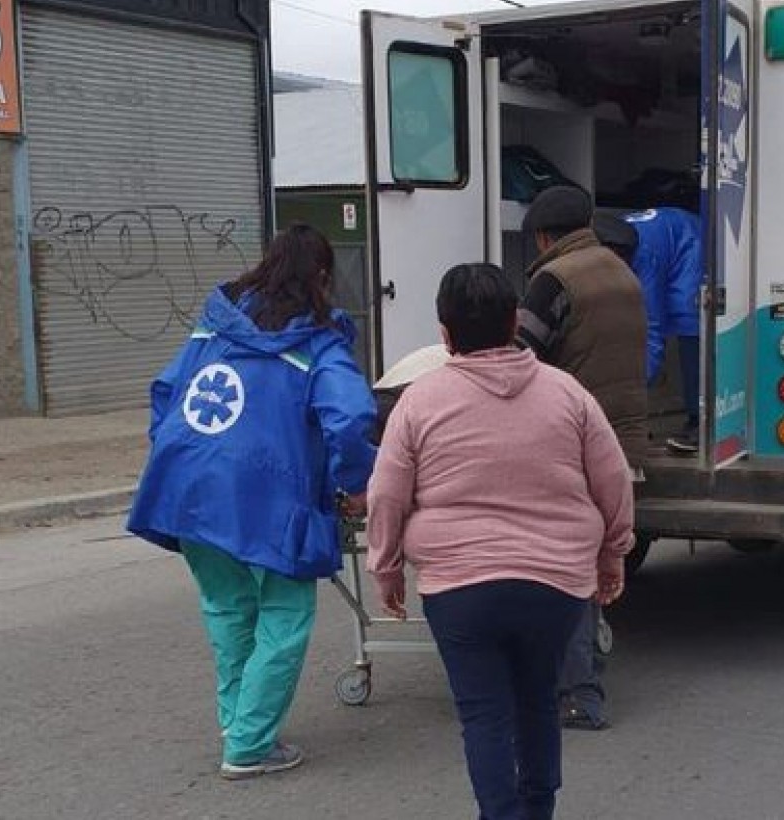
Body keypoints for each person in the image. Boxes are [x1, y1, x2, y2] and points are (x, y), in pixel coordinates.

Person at [367, 263, 635, 820]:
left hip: (460, 588)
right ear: (515, 321)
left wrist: (386, 566)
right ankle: (537, 810)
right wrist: (612, 554)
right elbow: (612, 480)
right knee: (538, 699)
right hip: (556, 582)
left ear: (444, 334)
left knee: (484, 714)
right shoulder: (568, 394)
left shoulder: (420, 401)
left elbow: (387, 492)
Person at [125, 224, 376, 780]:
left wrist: (185, 461)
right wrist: (356, 481)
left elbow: (166, 394)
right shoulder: (318, 343)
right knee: (285, 616)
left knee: (227, 608)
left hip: (189, 486)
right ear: (322, 276)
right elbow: (352, 417)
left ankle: (239, 723)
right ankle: (248, 745)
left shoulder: (211, 329)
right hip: (269, 494)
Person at [515, 185, 648, 732]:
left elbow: (520, 356)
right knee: (587, 560)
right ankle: (583, 667)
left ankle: (578, 692)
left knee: (560, 566)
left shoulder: (554, 280)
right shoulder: (622, 272)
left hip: (572, 440)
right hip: (624, 438)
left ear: (544, 236)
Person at [596, 204, 705, 454]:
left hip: (690, 243)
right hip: (671, 230)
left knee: (688, 318)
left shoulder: (643, 256)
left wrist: (638, 387)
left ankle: (700, 419)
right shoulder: (605, 243)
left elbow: (651, 325)